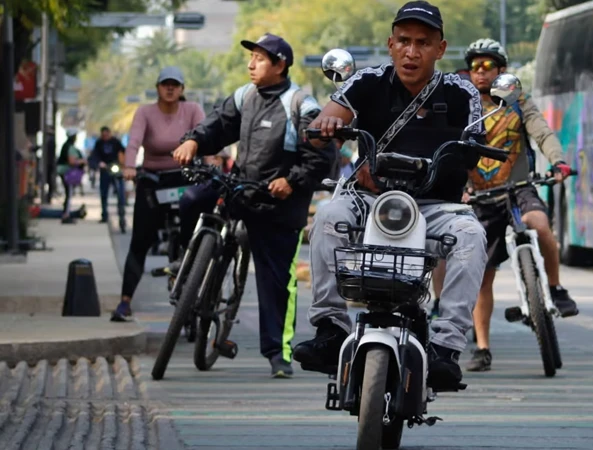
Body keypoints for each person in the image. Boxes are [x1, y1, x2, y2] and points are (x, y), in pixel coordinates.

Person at [292, 1, 489, 392]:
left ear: (440, 48)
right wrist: (327, 124)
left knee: (472, 235)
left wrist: (465, 151)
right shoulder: (366, 82)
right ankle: (331, 329)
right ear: (390, 44)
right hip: (370, 202)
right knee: (328, 218)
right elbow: (320, 124)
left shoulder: (460, 91)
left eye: (422, 43)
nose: (411, 52)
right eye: (403, 41)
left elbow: (473, 148)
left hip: (435, 208)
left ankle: (446, 349)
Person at [172, 33, 335, 378]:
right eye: (251, 58)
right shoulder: (244, 96)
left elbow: (322, 154)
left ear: (280, 65)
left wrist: (291, 181)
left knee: (276, 281)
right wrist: (192, 141)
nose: (251, 64)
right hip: (239, 189)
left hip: (278, 203)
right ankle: (186, 268)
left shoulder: (301, 105)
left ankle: (278, 353)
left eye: (260, 59)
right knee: (190, 200)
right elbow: (217, 124)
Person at [458, 38, 579, 372]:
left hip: (520, 189)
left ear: (502, 71)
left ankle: (555, 290)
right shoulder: (462, 105)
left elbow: (542, 133)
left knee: (540, 226)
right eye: (475, 67)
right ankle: (482, 348)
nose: (480, 73)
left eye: (488, 66)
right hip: (481, 197)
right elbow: (451, 148)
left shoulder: (518, 101)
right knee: (482, 275)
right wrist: (457, 186)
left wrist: (558, 162)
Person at [110, 66, 206, 322]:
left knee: (197, 235)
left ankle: (194, 284)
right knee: (140, 240)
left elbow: (206, 136)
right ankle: (125, 301)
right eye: (166, 84)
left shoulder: (193, 110)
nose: (170, 88)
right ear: (158, 88)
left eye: (176, 84)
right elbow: (134, 142)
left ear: (182, 89)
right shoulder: (145, 112)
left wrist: (213, 160)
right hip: (153, 180)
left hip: (186, 178)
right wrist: (130, 166)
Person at [91, 126, 127, 230]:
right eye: (103, 135)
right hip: (105, 170)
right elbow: (95, 155)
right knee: (104, 193)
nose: (105, 137)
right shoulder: (99, 143)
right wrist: (99, 163)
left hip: (116, 169)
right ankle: (104, 214)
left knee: (120, 194)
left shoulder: (115, 142)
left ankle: (121, 215)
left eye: (107, 134)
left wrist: (123, 163)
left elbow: (123, 151)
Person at [56, 130, 86, 224]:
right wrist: (82, 161)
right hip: (67, 172)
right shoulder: (69, 147)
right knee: (68, 193)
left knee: (68, 193)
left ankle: (66, 213)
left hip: (64, 172)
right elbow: (72, 161)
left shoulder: (67, 146)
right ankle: (66, 215)